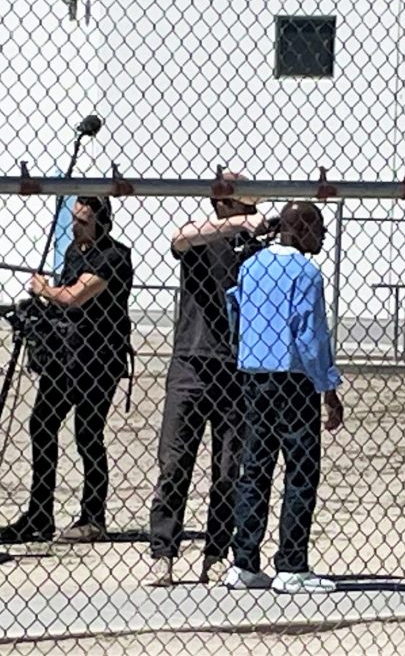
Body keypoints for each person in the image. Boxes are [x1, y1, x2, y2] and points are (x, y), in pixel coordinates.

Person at [147, 171, 265, 588]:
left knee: (228, 468)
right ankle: (163, 551)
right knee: (175, 462)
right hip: (191, 364)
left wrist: (253, 231)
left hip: (235, 368)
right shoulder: (203, 237)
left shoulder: (255, 247)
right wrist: (236, 224)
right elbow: (180, 238)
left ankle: (217, 552)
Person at [222, 201, 344, 595]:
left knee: (255, 468)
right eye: (319, 227)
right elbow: (309, 336)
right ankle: (292, 564)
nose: (323, 236)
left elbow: (234, 308)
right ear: (302, 228)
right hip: (292, 380)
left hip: (254, 375)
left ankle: (244, 560)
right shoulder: (307, 274)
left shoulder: (251, 266)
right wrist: (327, 387)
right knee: (300, 469)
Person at [0, 196, 134, 544]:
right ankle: (40, 512)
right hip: (64, 358)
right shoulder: (75, 251)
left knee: (88, 433)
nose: (75, 227)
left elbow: (74, 296)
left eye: (83, 221)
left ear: (101, 223)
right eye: (74, 220)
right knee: (41, 424)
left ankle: (93, 516)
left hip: (98, 361)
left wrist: (46, 289)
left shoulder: (114, 257)